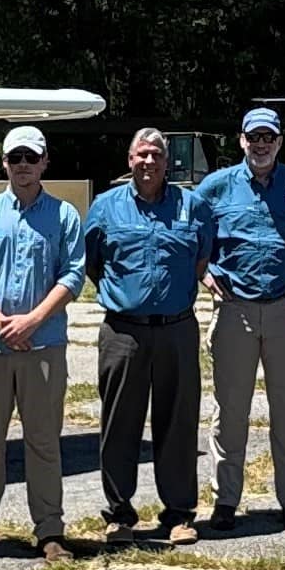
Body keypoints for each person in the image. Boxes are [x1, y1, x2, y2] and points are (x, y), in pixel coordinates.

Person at [0, 124, 85, 560]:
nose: (23, 166)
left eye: (31, 157)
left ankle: (49, 532)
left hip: (44, 345)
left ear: (45, 162)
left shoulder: (64, 215)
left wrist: (32, 321)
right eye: (15, 158)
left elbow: (72, 275)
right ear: (3, 163)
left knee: (44, 442)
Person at [199, 106, 285, 530]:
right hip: (234, 309)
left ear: (279, 142)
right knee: (230, 409)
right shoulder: (216, 186)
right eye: (253, 137)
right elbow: (187, 231)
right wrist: (203, 271)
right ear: (241, 140)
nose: (260, 145)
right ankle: (225, 500)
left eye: (269, 138)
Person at [81, 126, 207, 543]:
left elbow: (203, 256)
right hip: (123, 331)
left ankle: (179, 514)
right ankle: (119, 514)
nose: (149, 161)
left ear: (167, 162)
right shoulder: (105, 207)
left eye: (156, 154)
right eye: (141, 155)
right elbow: (93, 263)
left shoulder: (192, 206)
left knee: (178, 422)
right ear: (129, 161)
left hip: (176, 329)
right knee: (119, 423)